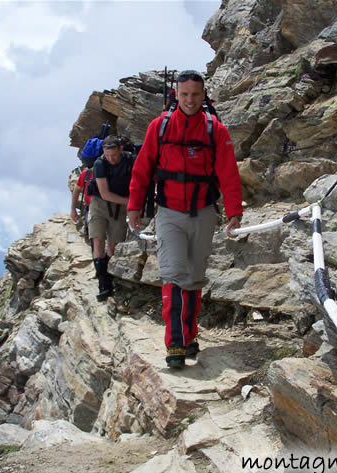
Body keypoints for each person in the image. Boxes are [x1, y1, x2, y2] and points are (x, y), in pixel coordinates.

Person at [128, 70, 243, 368]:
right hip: (169, 213)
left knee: (194, 278)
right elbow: (142, 170)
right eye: (184, 95)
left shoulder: (215, 130)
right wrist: (134, 206)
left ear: (203, 95)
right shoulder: (160, 127)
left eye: (195, 94)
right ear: (176, 95)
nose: (190, 100)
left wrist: (234, 213)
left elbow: (228, 174)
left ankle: (190, 336)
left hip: (204, 212)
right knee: (175, 274)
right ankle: (175, 344)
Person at [88, 135, 133, 301]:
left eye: (113, 155)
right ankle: (103, 282)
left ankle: (109, 275)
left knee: (113, 243)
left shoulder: (130, 160)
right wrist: (130, 202)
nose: (111, 159)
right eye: (107, 156)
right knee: (98, 239)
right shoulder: (100, 164)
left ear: (120, 149)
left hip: (119, 206)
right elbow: (105, 193)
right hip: (99, 203)